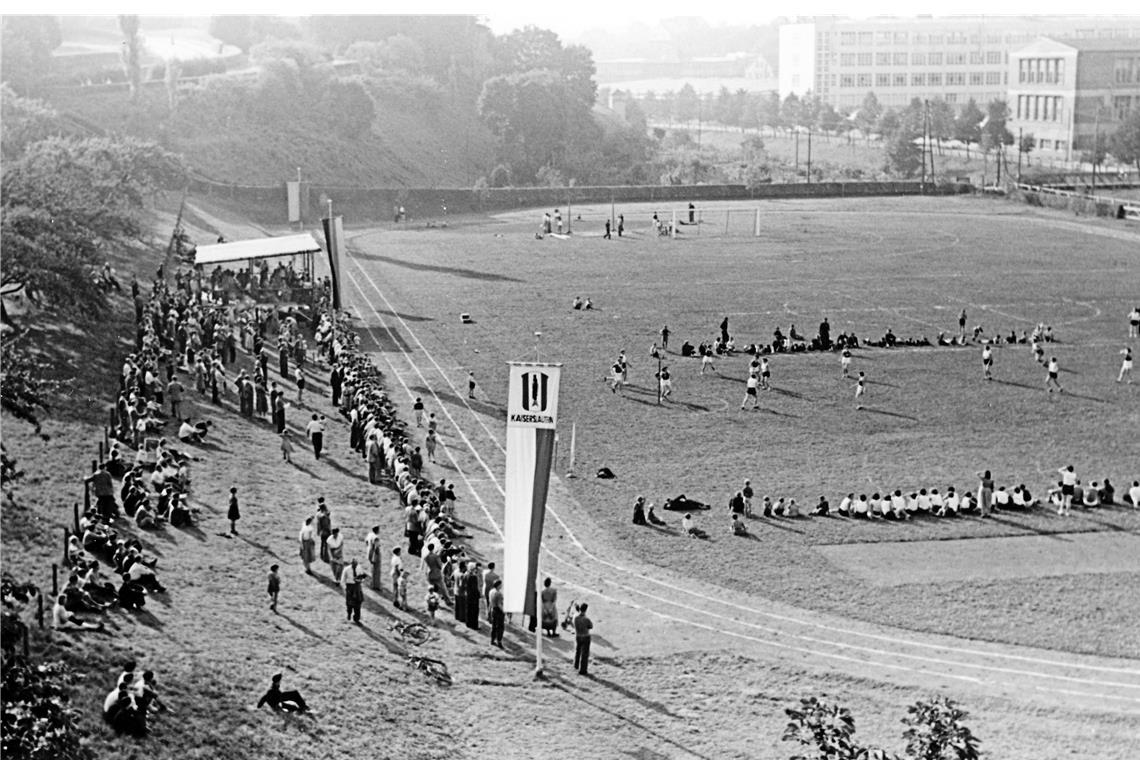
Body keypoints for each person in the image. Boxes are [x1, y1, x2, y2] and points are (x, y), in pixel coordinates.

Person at [341, 558, 366, 624]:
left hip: (357, 587)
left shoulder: (359, 568)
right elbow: (343, 580)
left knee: (358, 603)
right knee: (349, 603)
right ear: (351, 563)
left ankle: (356, 619)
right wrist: (346, 589)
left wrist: (360, 580)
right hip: (350, 587)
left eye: (356, 564)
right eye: (354, 564)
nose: (355, 565)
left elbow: (362, 576)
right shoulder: (346, 569)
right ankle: (349, 614)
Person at [573, 603, 593, 676]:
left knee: (578, 651)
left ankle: (576, 665)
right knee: (584, 654)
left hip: (578, 635)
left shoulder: (575, 617)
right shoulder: (586, 619)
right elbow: (590, 626)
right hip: (585, 636)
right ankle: (583, 670)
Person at [489, 580, 505, 647]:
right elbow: (499, 604)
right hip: (498, 611)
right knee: (500, 627)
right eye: (501, 584)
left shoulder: (491, 591)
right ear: (498, 585)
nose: (502, 585)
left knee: (494, 626)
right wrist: (503, 611)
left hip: (493, 609)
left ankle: (492, 640)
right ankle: (499, 641)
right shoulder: (499, 593)